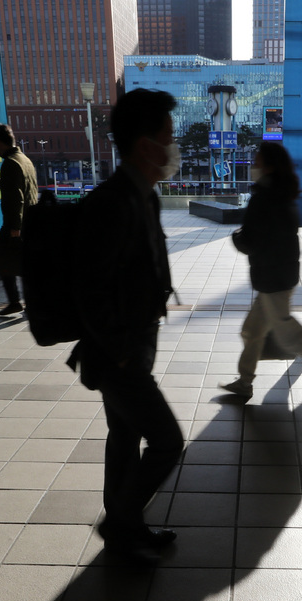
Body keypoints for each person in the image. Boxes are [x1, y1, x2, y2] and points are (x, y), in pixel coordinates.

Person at [68, 89, 184, 563]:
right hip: (115, 353)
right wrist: (120, 353)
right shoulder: (111, 202)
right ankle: (119, 522)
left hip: (133, 345)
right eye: (168, 136)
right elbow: (88, 289)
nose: (174, 146)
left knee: (124, 436)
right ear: (144, 145)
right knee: (167, 441)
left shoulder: (144, 196)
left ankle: (127, 530)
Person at [221, 142, 302, 399]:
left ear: (269, 166)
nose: (253, 166)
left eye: (257, 161)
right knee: (252, 331)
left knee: (289, 335)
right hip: (277, 274)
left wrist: (237, 238)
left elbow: (253, 239)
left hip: (273, 278)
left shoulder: (265, 197)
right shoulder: (281, 194)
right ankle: (245, 381)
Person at [0, 123, 38, 316]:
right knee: (24, 262)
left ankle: (16, 301)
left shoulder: (10, 163)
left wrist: (15, 230)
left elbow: (16, 199)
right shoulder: (25, 159)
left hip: (16, 223)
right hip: (30, 220)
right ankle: (28, 301)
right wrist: (2, 183)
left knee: (2, 258)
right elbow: (24, 188)